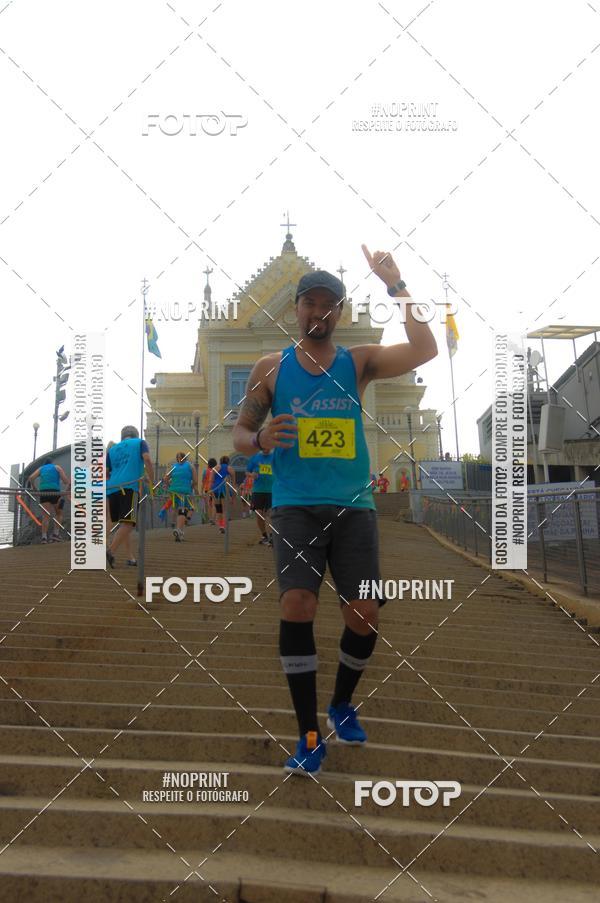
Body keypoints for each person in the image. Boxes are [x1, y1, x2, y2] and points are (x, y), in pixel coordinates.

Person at [233, 247, 437, 776]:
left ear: (339, 313)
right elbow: (238, 434)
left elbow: (425, 348)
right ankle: (308, 735)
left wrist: (397, 286)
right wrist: (259, 437)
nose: (317, 312)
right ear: (295, 310)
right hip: (296, 506)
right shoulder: (269, 369)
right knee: (297, 604)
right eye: (309, 303)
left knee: (363, 614)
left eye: (328, 304)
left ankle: (342, 702)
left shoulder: (359, 361)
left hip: (354, 509)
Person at [105, 425, 154, 567]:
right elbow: (147, 459)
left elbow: (107, 472)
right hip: (129, 487)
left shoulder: (112, 449)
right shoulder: (140, 442)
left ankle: (130, 557)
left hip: (113, 488)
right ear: (136, 434)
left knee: (123, 523)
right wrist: (151, 478)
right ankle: (111, 551)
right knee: (128, 523)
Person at [29, 458, 70, 543]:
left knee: (46, 516)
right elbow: (66, 481)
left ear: (45, 464)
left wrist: (34, 488)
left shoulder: (41, 468)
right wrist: (65, 484)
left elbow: (31, 477)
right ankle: (55, 534)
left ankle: (44, 538)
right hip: (55, 492)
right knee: (59, 513)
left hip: (44, 492)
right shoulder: (57, 467)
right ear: (52, 463)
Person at [165, 452, 198, 542]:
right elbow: (195, 481)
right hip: (185, 491)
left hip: (173, 491)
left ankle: (181, 534)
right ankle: (178, 530)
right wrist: (191, 488)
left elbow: (166, 478)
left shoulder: (173, 467)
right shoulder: (191, 466)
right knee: (182, 511)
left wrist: (170, 486)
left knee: (177, 511)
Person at [245, 450, 274, 545]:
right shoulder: (255, 457)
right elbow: (247, 471)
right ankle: (264, 535)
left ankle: (272, 536)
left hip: (272, 490)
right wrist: (251, 475)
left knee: (271, 514)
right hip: (258, 490)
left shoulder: (275, 456)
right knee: (259, 514)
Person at [211, 455, 236, 533]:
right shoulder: (230, 468)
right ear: (228, 461)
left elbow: (212, 480)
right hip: (224, 489)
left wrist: (211, 490)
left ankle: (221, 526)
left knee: (218, 509)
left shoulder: (216, 468)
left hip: (216, 489)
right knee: (224, 509)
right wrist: (233, 496)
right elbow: (234, 482)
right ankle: (224, 526)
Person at [201, 457, 218, 524]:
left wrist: (201, 490)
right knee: (214, 504)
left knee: (208, 505)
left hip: (207, 489)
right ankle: (213, 519)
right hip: (214, 489)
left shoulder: (205, 471)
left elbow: (203, 482)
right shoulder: (216, 471)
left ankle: (210, 518)